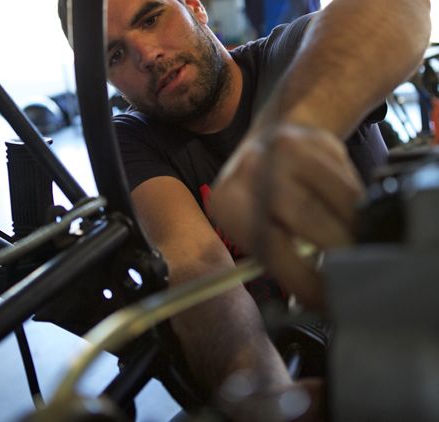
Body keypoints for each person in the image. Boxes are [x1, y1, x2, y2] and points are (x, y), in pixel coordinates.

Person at [57, 0, 431, 419]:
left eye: (151, 18)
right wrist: (270, 398)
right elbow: (199, 274)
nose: (147, 56)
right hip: (288, 373)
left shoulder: (291, 56)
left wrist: (299, 124)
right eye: (115, 55)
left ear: (195, 7)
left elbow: (397, 8)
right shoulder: (131, 141)